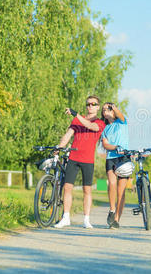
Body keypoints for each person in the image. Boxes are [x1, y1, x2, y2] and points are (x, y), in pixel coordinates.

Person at [54, 95, 106, 229]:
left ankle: (86, 219)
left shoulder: (100, 122)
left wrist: (76, 114)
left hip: (87, 160)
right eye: (88, 104)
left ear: (98, 107)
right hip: (73, 157)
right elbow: (67, 135)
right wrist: (59, 147)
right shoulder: (77, 120)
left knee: (87, 190)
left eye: (93, 104)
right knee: (67, 187)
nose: (90, 106)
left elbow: (91, 126)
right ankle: (66, 217)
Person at [101, 102, 130, 229]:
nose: (104, 111)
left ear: (113, 110)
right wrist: (115, 147)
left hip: (123, 157)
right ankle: (112, 210)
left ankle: (117, 220)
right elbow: (105, 145)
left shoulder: (122, 122)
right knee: (112, 183)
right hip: (111, 158)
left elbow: (119, 114)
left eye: (106, 109)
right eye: (103, 110)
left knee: (121, 191)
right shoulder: (105, 129)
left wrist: (112, 106)